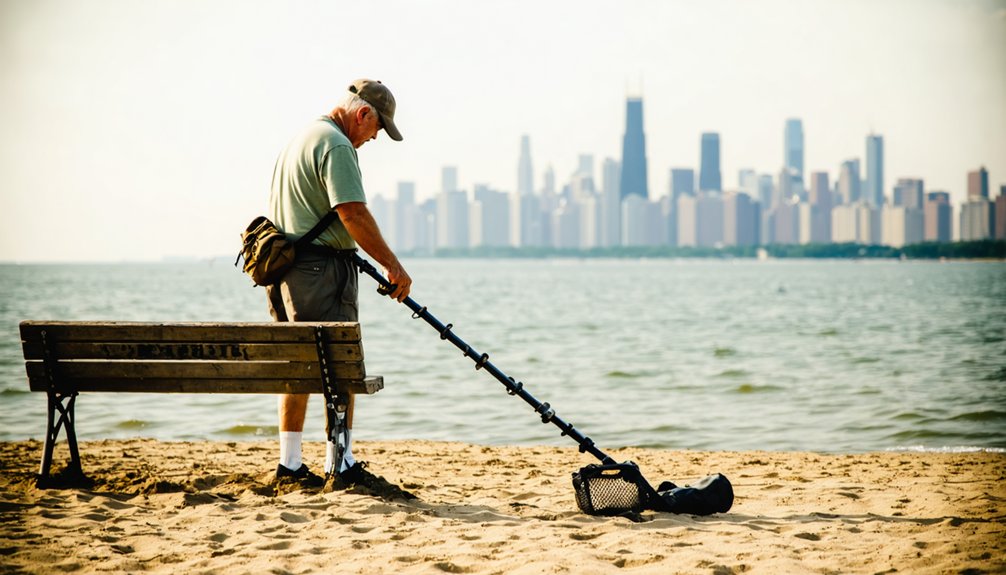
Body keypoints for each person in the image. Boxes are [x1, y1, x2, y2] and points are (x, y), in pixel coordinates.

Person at [266, 79, 412, 486]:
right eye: (378, 129)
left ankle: (290, 463)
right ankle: (341, 462)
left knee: (296, 368)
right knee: (340, 367)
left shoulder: (301, 138)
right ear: (364, 114)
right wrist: (392, 265)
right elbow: (351, 212)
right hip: (322, 272)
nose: (374, 138)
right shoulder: (337, 145)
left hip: (286, 273)